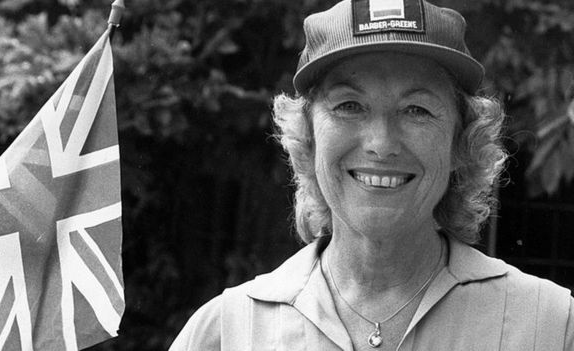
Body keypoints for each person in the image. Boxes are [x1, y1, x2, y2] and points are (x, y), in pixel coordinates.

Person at [169, 0, 574, 350]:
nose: (381, 143)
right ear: (308, 138)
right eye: (349, 105)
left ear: (460, 143)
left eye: (417, 110)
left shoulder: (553, 327)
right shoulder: (224, 333)